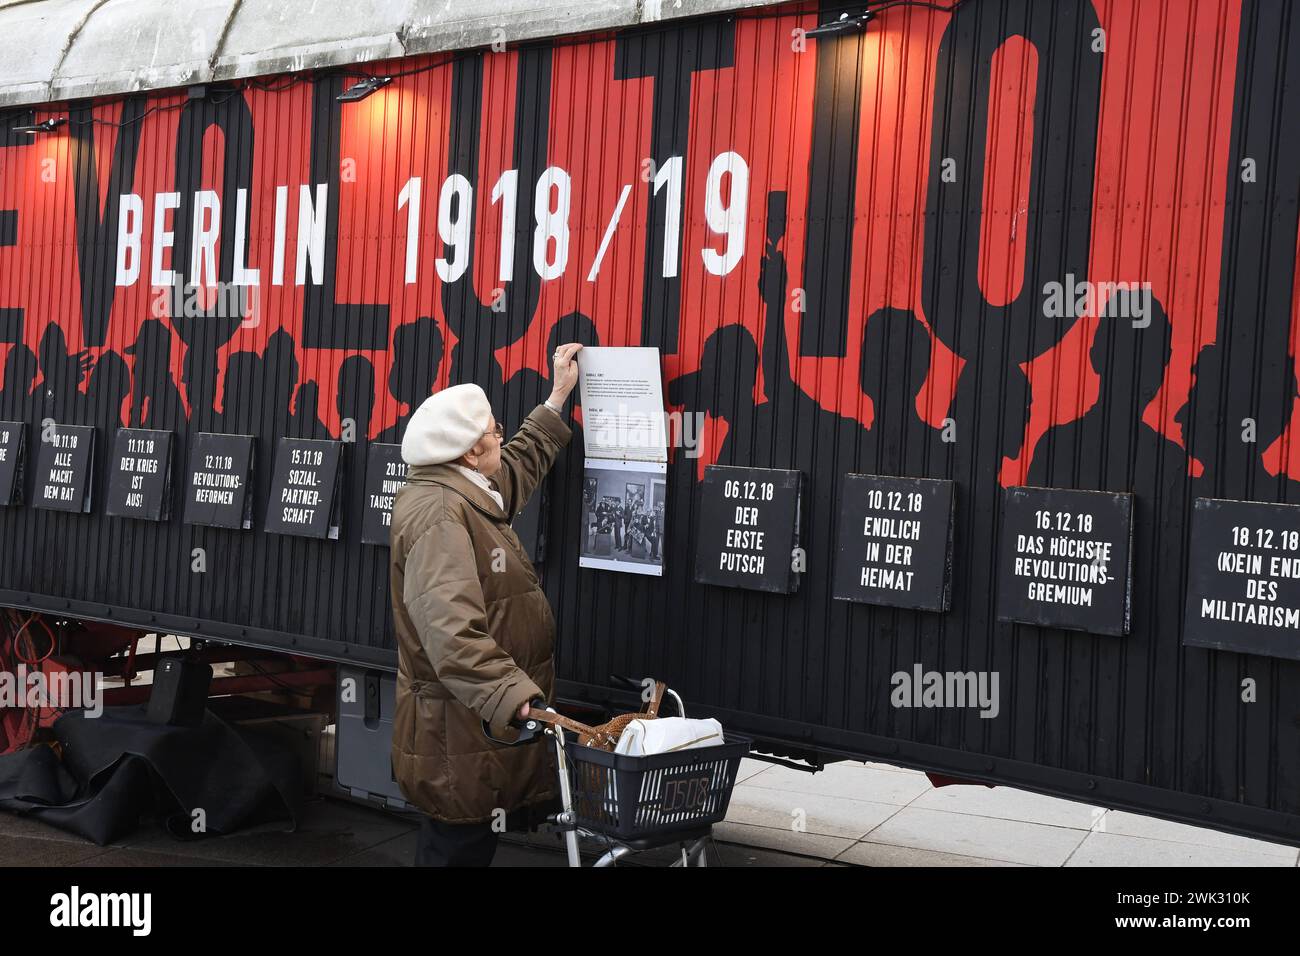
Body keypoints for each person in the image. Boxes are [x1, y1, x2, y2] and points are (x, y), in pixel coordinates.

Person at [389, 342, 583, 867]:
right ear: (471, 452)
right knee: (456, 849)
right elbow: (449, 631)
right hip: (457, 733)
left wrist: (558, 396)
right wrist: (512, 695)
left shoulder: (460, 488)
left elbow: (514, 467)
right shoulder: (440, 516)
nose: (501, 433)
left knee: (463, 843)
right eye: (494, 429)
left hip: (466, 727)